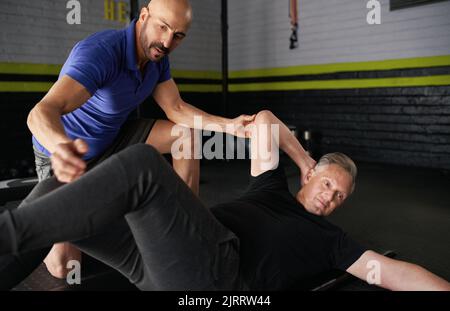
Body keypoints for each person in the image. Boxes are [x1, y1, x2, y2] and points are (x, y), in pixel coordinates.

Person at [1, 111, 449, 290]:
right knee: (66, 183)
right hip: (158, 264)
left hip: (213, 277)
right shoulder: (270, 184)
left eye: (340, 197)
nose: (331, 197)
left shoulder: (331, 239)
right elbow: (266, 123)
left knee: (142, 164)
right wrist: (302, 154)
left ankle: (6, 234)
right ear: (309, 176)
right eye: (327, 184)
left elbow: (392, 272)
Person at [26, 0, 254, 278]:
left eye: (178, 35)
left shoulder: (157, 57)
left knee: (183, 134)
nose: (168, 41)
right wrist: (63, 149)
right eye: (163, 27)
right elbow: (39, 113)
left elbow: (176, 108)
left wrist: (230, 126)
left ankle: (187, 227)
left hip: (113, 139)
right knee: (64, 268)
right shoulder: (101, 52)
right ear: (143, 16)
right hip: (67, 154)